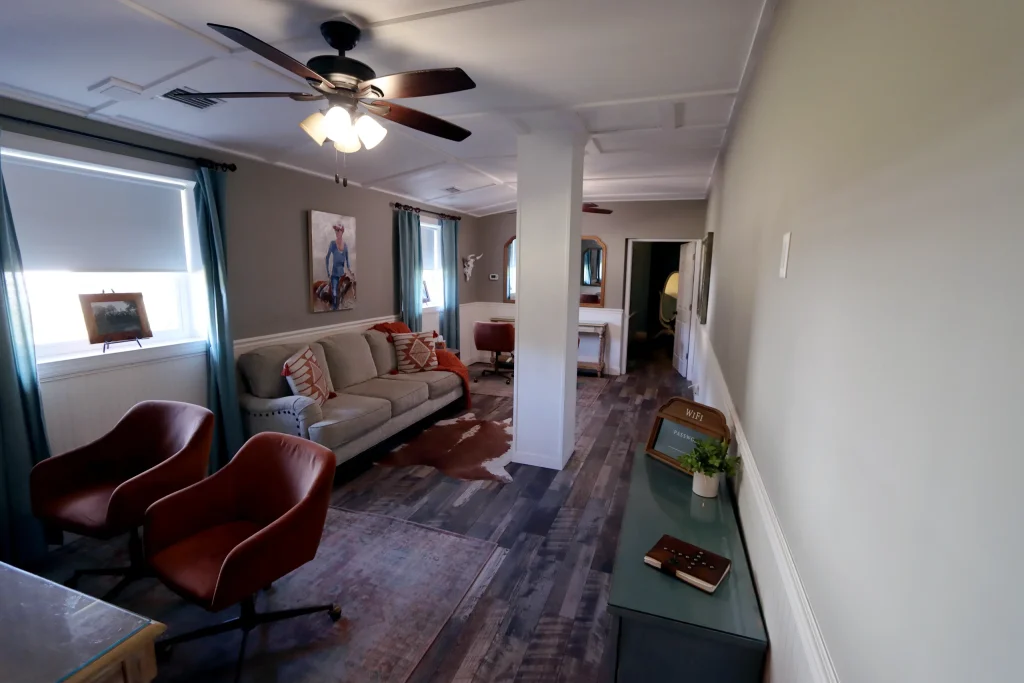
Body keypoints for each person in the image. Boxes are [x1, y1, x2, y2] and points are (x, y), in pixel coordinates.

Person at [325, 223, 354, 310]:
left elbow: (347, 260)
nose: (337, 232)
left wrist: (350, 270)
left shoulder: (345, 246)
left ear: (342, 232)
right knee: (334, 294)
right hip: (334, 275)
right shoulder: (332, 244)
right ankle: (334, 310)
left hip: (342, 274)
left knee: (347, 293)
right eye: (336, 231)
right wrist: (328, 273)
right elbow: (327, 258)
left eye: (338, 230)